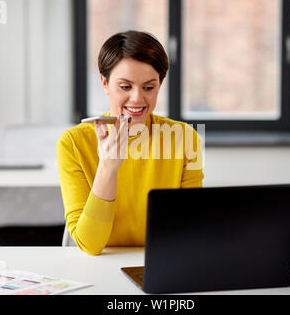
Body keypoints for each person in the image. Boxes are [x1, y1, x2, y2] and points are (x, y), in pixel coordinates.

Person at [57, 30, 204, 255]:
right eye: (125, 87)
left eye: (149, 87)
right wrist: (108, 167)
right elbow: (90, 245)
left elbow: (190, 229)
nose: (137, 98)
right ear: (105, 83)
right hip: (100, 267)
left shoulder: (184, 138)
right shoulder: (73, 143)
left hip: (161, 261)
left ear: (160, 85)